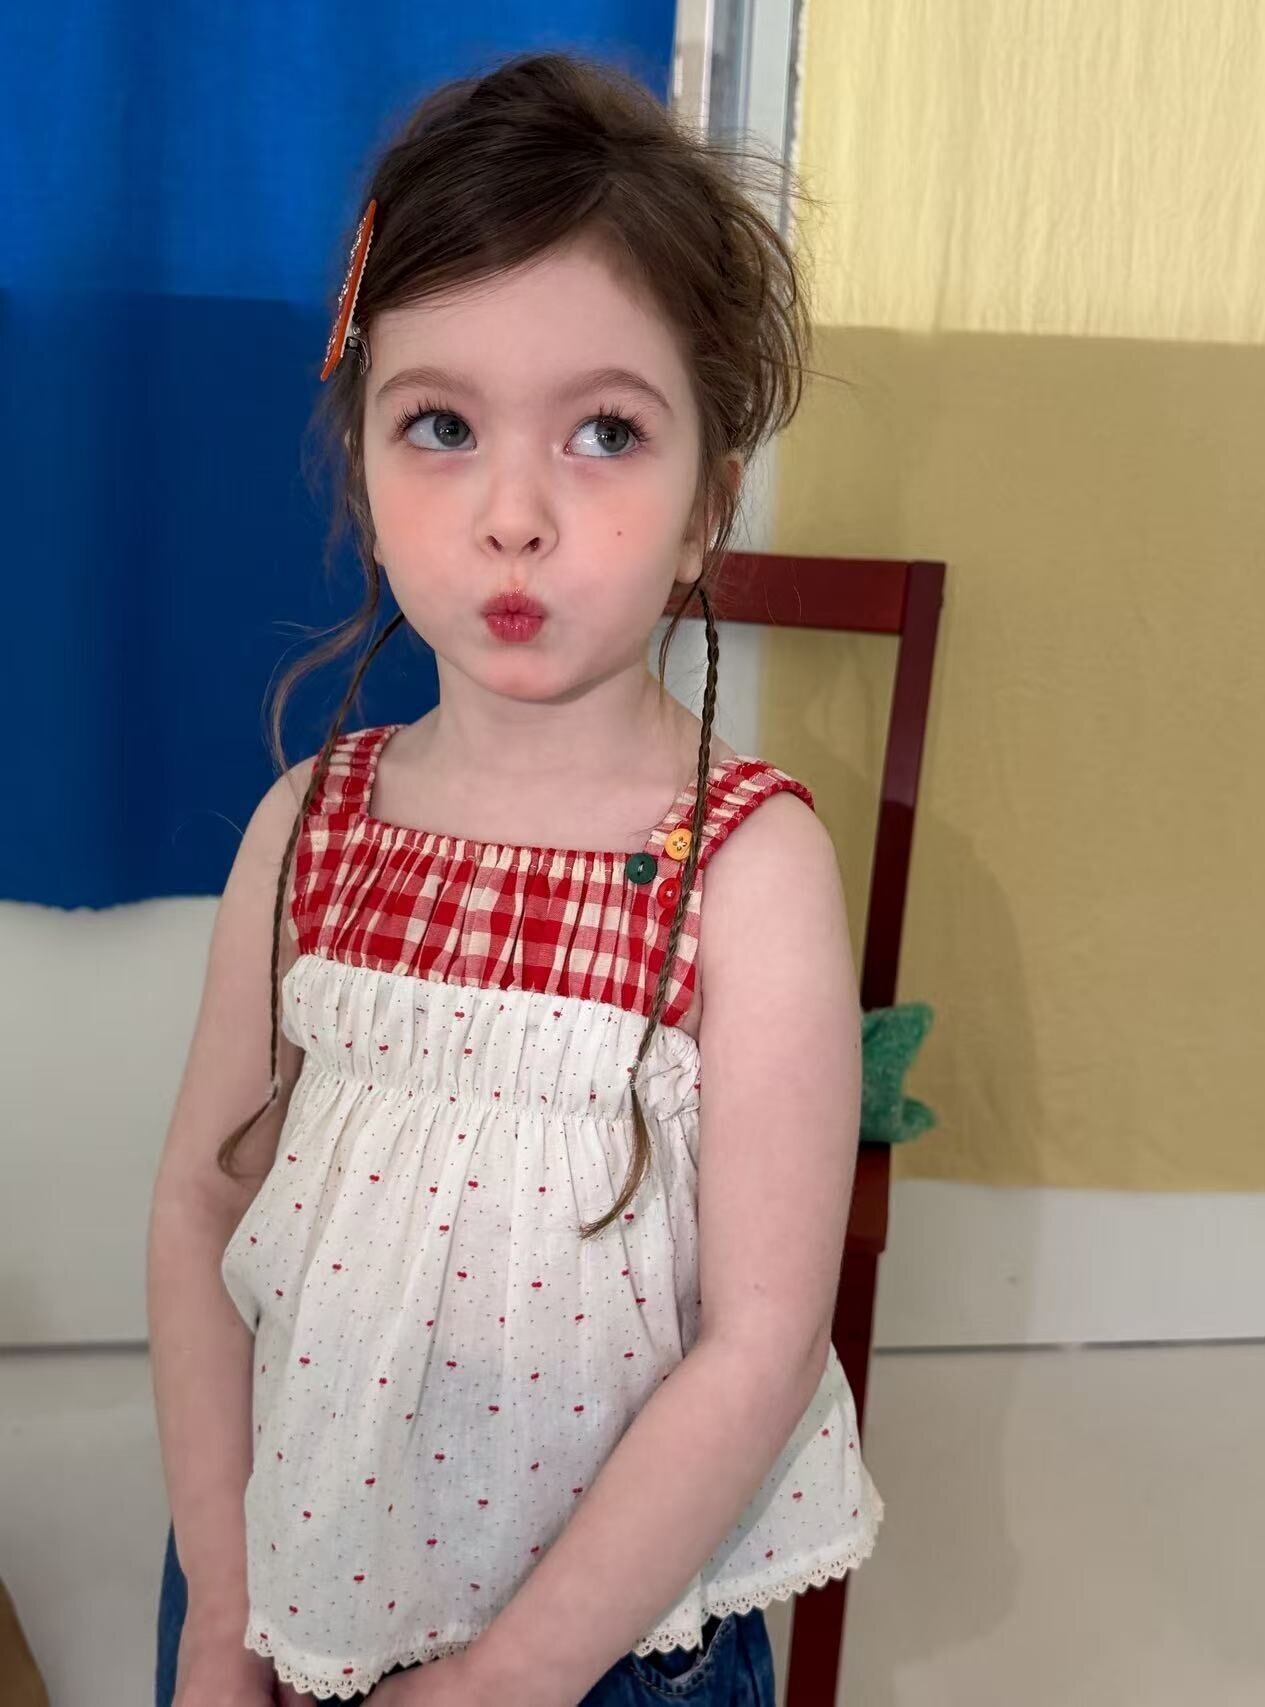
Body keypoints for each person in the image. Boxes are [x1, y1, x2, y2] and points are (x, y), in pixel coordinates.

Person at [147, 47, 882, 1707]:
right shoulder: (308, 826)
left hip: (609, 1653)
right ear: (363, 473)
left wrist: (505, 1682)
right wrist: (215, 1605)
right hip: (286, 1590)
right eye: (442, 426)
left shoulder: (750, 870)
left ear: (709, 507)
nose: (514, 513)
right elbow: (198, 1204)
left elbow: (762, 1341)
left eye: (607, 431)